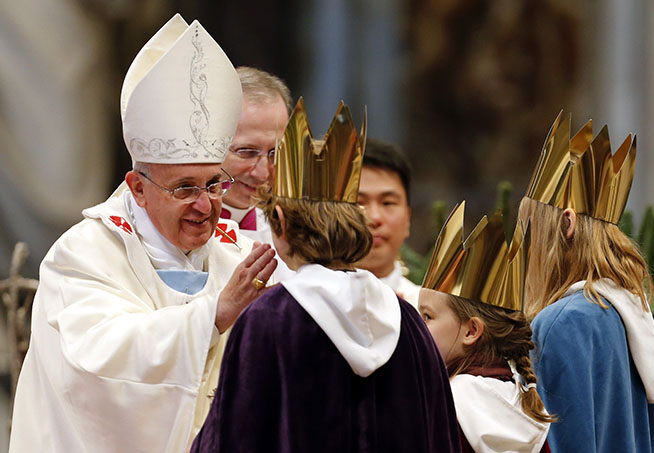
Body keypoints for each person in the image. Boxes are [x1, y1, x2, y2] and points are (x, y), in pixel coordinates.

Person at [9, 14, 277, 453]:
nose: (205, 204)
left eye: (213, 184)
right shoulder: (85, 255)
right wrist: (213, 315)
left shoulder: (240, 256)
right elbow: (100, 364)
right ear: (137, 187)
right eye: (184, 188)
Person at [191, 99, 461, 452]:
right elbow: (439, 435)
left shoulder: (272, 318)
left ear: (282, 224)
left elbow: (235, 437)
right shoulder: (405, 317)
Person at [519, 112, 654, 452]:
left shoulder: (561, 323)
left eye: (531, 229)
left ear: (566, 224)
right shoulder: (626, 309)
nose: (526, 248)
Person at [418, 201, 552, 452]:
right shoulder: (523, 404)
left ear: (471, 332)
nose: (418, 325)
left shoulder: (444, 403)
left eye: (427, 317)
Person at [219, 66, 295, 280]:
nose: (262, 173)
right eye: (247, 152)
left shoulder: (292, 237)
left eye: (275, 153)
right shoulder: (158, 227)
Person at [356, 138, 420, 306]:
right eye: (358, 203)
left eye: (388, 203)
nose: (374, 217)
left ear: (408, 217)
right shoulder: (303, 305)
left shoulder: (427, 312)